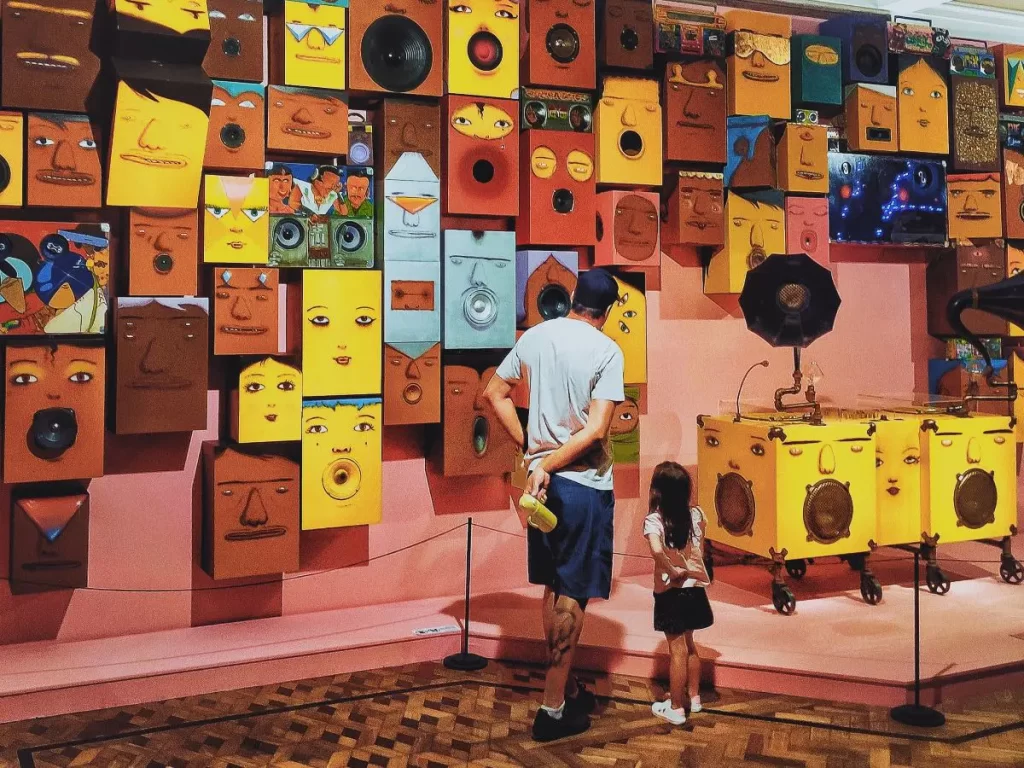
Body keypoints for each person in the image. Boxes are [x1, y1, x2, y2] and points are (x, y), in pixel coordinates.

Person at [484, 268, 625, 742]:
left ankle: (561, 691)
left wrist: (533, 451)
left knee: (551, 584)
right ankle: (552, 709)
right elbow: (597, 430)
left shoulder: (537, 336)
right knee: (573, 593)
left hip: (540, 485)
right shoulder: (607, 350)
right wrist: (552, 463)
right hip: (583, 485)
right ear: (606, 311)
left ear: (572, 298)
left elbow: (494, 393)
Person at [643, 462, 714, 726]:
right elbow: (701, 545)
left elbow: (656, 550)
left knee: (677, 650)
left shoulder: (655, 520)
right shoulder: (697, 515)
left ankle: (675, 707)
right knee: (690, 644)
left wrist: (672, 571)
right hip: (695, 591)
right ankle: (694, 698)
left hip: (671, 593)